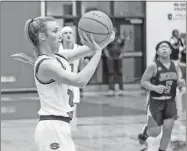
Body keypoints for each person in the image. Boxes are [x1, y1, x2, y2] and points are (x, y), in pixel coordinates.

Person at [11, 16, 115, 151]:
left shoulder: (60, 57)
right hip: (52, 128)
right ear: (42, 36)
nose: (59, 34)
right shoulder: (46, 64)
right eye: (55, 31)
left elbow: (88, 49)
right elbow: (80, 81)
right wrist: (98, 53)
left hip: (60, 127)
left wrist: (106, 39)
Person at [138, 41, 185, 151]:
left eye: (166, 47)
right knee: (155, 132)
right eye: (161, 47)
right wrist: (154, 88)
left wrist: (179, 83)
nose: (164, 48)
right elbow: (143, 82)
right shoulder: (153, 66)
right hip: (155, 102)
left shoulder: (175, 65)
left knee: (168, 130)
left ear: (170, 50)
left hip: (170, 102)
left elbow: (175, 82)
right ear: (157, 52)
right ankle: (145, 132)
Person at [58, 26, 85, 130]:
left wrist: (86, 65)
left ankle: (70, 134)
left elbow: (82, 68)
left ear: (73, 36)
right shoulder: (57, 49)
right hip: (60, 84)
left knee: (72, 114)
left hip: (73, 84)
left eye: (70, 33)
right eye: (65, 33)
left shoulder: (79, 48)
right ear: (62, 36)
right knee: (59, 112)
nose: (68, 35)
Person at [103, 27, 125, 95]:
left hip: (118, 57)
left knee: (119, 73)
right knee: (111, 73)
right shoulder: (108, 39)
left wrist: (122, 54)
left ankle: (121, 89)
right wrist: (107, 55)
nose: (114, 31)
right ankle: (111, 89)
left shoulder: (120, 38)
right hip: (110, 58)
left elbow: (123, 46)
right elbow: (104, 47)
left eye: (115, 30)